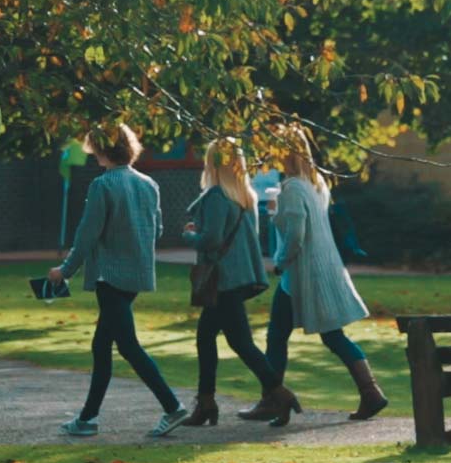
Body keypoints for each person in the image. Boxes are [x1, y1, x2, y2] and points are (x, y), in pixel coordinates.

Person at [48, 122, 187, 438]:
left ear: (102, 149)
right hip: (137, 274)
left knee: (128, 346)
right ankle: (87, 418)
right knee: (102, 346)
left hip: (109, 275)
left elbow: (87, 235)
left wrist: (64, 271)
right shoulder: (149, 184)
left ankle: (172, 406)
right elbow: (158, 229)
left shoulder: (103, 186)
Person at [241, 124, 388, 422]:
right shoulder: (316, 181)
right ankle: (370, 392)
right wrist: (276, 211)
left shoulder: (293, 187)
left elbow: (295, 233)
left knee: (280, 336)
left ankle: (273, 400)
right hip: (321, 270)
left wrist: (280, 259)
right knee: (327, 335)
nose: (269, 154)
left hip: (302, 275)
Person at [179, 138, 301, 428]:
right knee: (219, 339)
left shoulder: (217, 197)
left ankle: (276, 394)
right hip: (238, 278)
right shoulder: (244, 196)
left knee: (237, 342)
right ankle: (209, 403)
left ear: (213, 164)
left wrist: (189, 236)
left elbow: (211, 239)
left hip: (222, 280)